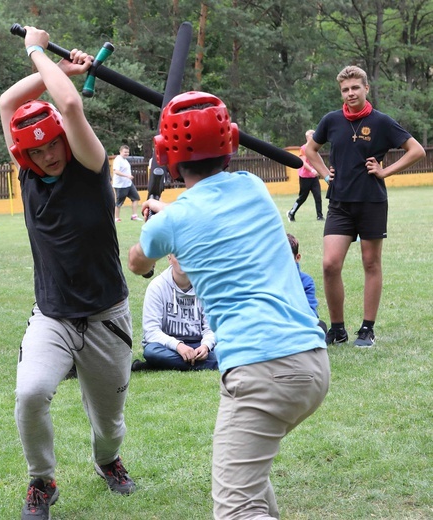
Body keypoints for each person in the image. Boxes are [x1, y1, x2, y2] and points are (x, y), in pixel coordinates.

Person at [128, 91, 330, 520]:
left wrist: (158, 224)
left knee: (235, 510)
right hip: (311, 363)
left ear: (167, 156)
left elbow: (138, 261)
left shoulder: (172, 221)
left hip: (261, 371)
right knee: (248, 483)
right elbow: (212, 211)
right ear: (230, 144)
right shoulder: (252, 187)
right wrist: (169, 215)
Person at [0, 26, 135, 519]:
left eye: (51, 144)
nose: (47, 155)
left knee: (109, 423)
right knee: (30, 393)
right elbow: (7, 102)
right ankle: (42, 480)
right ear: (23, 155)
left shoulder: (91, 165)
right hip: (53, 314)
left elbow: (72, 108)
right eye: (34, 150)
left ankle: (107, 461)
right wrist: (59, 68)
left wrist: (38, 50)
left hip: (106, 315)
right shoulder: (27, 177)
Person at [305, 65, 425, 348]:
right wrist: (325, 174)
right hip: (339, 203)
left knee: (371, 263)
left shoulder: (381, 122)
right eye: (345, 89)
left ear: (366, 88)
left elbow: (416, 150)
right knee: (330, 264)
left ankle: (367, 329)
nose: (350, 93)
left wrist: (385, 171)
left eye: (355, 88)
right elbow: (310, 150)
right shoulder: (331, 120)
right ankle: (337, 329)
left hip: (371, 201)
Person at [132, 254, 218, 371]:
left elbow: (212, 327)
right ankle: (213, 365)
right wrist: (178, 346)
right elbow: (151, 332)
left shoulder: (206, 287)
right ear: (169, 258)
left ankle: (156, 366)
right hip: (168, 346)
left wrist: (206, 346)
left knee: (226, 348)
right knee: (151, 352)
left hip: (198, 343)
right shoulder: (157, 286)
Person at [287, 233, 328, 334]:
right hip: (275, 323)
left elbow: (311, 312)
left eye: (287, 258)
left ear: (297, 257)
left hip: (300, 322)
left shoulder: (306, 281)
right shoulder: (267, 278)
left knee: (320, 326)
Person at [287, 129, 324, 222]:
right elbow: (303, 162)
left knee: (318, 196)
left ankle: (319, 216)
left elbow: (317, 160)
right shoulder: (303, 148)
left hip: (313, 177)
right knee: (302, 197)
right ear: (309, 137)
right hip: (305, 177)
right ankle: (291, 213)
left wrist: (319, 169)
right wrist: (312, 169)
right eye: (313, 135)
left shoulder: (314, 148)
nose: (315, 136)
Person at [112, 144, 143, 222]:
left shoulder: (125, 160)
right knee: (119, 203)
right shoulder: (118, 160)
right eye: (125, 152)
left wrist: (128, 178)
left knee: (136, 198)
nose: (126, 154)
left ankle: (134, 216)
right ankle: (116, 218)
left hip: (128, 184)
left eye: (128, 152)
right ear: (120, 152)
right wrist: (127, 176)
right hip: (120, 185)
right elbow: (116, 171)